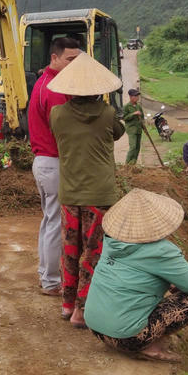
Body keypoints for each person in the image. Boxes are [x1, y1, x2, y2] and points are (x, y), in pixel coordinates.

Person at [48, 52, 125, 329]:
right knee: (93, 251)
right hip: (99, 195)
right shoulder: (107, 113)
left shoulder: (57, 114)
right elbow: (118, 132)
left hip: (70, 193)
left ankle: (67, 304)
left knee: (70, 249)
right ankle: (83, 309)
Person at [86, 189, 188, 362]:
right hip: (128, 338)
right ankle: (150, 346)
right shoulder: (161, 251)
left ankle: (122, 331)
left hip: (96, 328)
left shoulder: (111, 241)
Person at [27, 37, 82, 297]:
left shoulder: (43, 83)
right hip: (54, 161)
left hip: (43, 161)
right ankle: (51, 281)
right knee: (54, 224)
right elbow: (66, 133)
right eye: (70, 59)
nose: (74, 64)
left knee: (48, 220)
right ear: (55, 58)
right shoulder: (55, 90)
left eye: (77, 60)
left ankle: (46, 275)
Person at [122, 89, 146, 165]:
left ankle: (133, 164)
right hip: (131, 129)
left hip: (139, 129)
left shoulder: (139, 106)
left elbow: (142, 117)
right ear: (131, 97)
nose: (137, 98)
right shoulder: (126, 107)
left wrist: (144, 127)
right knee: (133, 146)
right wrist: (133, 114)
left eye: (137, 96)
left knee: (138, 148)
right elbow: (124, 118)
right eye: (135, 96)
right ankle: (127, 163)